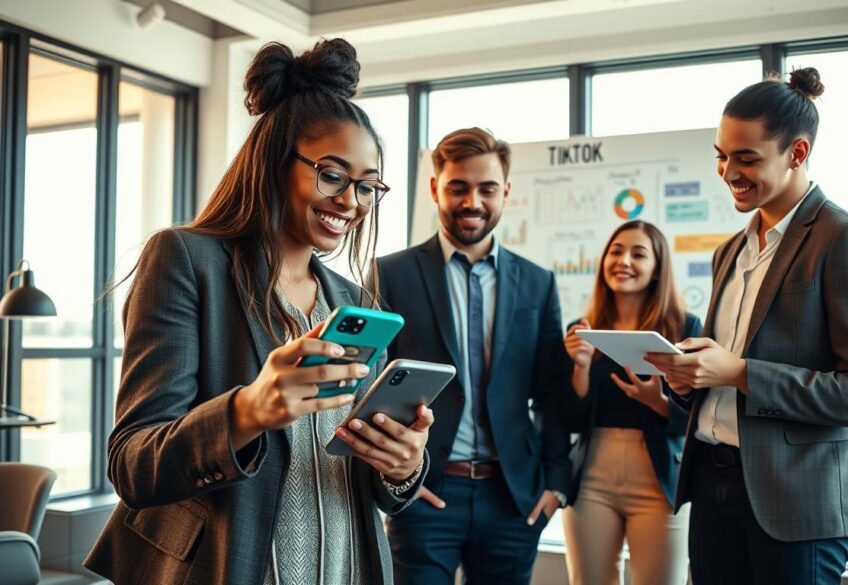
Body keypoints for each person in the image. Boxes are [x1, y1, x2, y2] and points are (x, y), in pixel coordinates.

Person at [84, 39, 432, 585]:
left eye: (367, 187)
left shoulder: (356, 301)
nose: (351, 202)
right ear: (275, 161)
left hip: (344, 568)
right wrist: (248, 409)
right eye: (333, 175)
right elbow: (134, 463)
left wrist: (403, 465)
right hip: (229, 566)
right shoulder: (186, 260)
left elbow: (367, 481)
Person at [645, 67, 848, 585]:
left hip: (798, 504)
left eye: (746, 158)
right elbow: (723, 373)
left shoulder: (847, 240)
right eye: (721, 154)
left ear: (798, 154)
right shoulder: (730, 252)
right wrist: (687, 379)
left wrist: (740, 372)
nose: (727, 171)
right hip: (714, 487)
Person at [376, 127, 571, 585]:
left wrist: (556, 483)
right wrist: (398, 476)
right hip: (424, 492)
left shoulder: (537, 282)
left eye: (487, 189)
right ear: (434, 189)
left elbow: (553, 392)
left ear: (505, 191)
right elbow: (373, 389)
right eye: (458, 188)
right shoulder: (391, 274)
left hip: (512, 498)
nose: (473, 202)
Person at [560, 220, 700, 585]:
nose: (623, 261)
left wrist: (659, 403)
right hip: (592, 478)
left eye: (638, 254)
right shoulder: (583, 328)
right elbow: (568, 419)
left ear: (658, 269)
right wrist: (581, 366)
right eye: (616, 251)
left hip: (659, 479)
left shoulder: (685, 328)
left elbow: (705, 417)